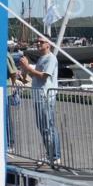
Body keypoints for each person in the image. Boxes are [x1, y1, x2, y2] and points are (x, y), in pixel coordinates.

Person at [19, 38, 61, 168]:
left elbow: (44, 76)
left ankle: (55, 156)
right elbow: (34, 76)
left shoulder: (51, 58)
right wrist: (24, 72)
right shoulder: (41, 59)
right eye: (37, 41)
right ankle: (49, 154)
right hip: (38, 96)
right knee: (43, 127)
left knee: (48, 126)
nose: (38, 43)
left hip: (45, 97)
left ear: (48, 44)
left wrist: (27, 67)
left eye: (41, 42)